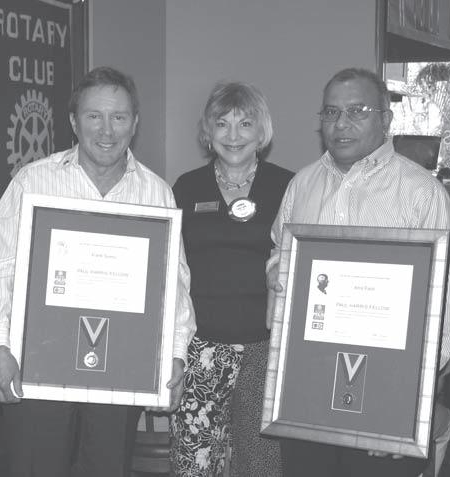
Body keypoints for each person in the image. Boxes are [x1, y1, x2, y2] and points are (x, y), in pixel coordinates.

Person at [0, 66, 196, 477]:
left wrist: (175, 354)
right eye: (94, 116)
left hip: (121, 372)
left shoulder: (155, 192)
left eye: (119, 117)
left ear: (135, 123)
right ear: (73, 121)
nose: (107, 130)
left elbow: (175, 284)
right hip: (38, 368)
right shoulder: (34, 181)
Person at [266, 68, 450, 477]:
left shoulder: (421, 193)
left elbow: (437, 313)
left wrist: (409, 410)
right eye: (331, 112)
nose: (341, 124)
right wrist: (276, 273)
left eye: (357, 111)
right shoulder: (302, 185)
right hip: (307, 390)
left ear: (386, 119)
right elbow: (280, 253)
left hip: (385, 392)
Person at [169, 82, 293, 476]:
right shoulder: (186, 187)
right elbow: (171, 268)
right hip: (200, 347)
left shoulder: (289, 186)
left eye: (245, 123)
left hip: (265, 349)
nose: (233, 135)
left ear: (262, 131)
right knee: (194, 465)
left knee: (261, 465)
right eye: (222, 124)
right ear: (208, 132)